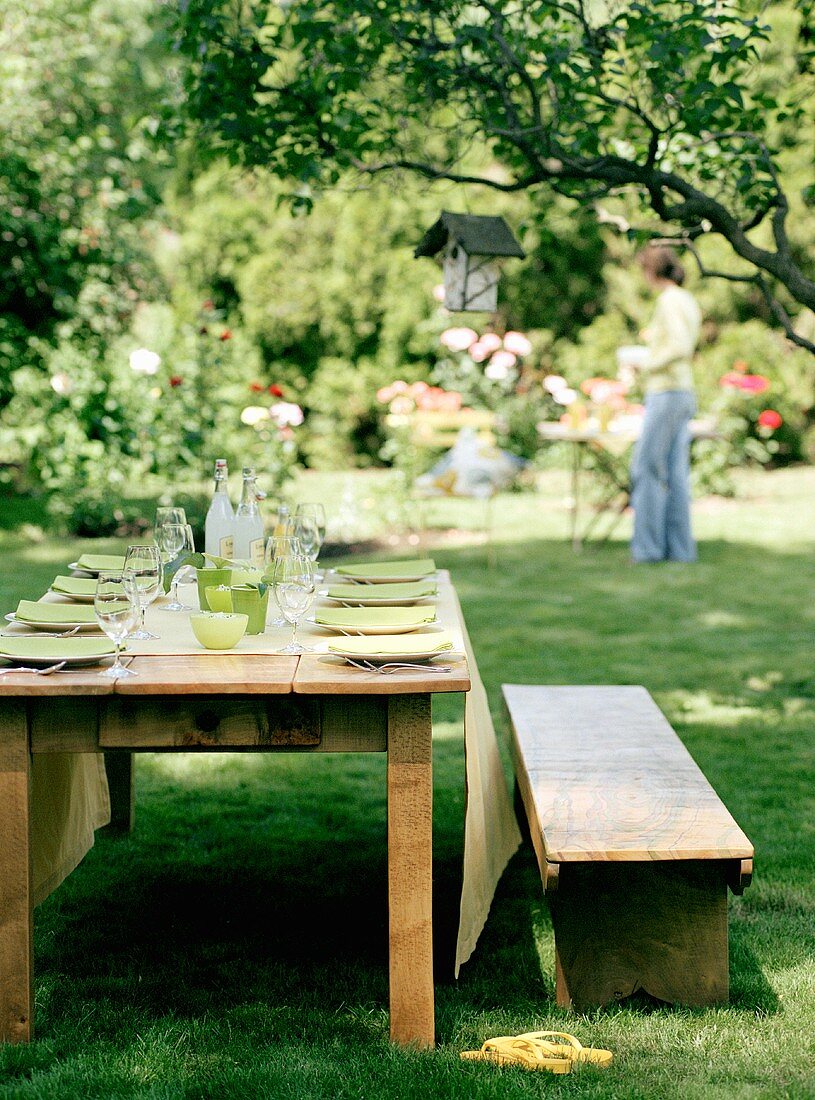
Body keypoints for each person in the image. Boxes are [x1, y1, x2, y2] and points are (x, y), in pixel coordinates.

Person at [621, 245, 701, 563]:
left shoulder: (669, 301)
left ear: (652, 271)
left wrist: (647, 364)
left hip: (666, 392)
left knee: (647, 470)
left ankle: (648, 550)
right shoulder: (687, 299)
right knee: (676, 474)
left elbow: (679, 346)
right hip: (683, 392)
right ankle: (681, 551)